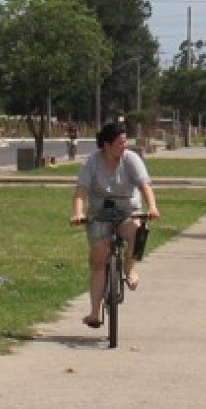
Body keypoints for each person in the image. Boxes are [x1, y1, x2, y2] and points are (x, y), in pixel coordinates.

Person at [69, 122, 160, 329]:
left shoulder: (131, 159)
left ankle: (129, 269)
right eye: (119, 143)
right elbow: (81, 192)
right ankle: (94, 313)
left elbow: (145, 185)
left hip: (127, 211)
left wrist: (152, 207)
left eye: (125, 143)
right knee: (99, 260)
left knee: (138, 231)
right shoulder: (91, 163)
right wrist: (78, 213)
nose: (124, 147)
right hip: (100, 214)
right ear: (106, 145)